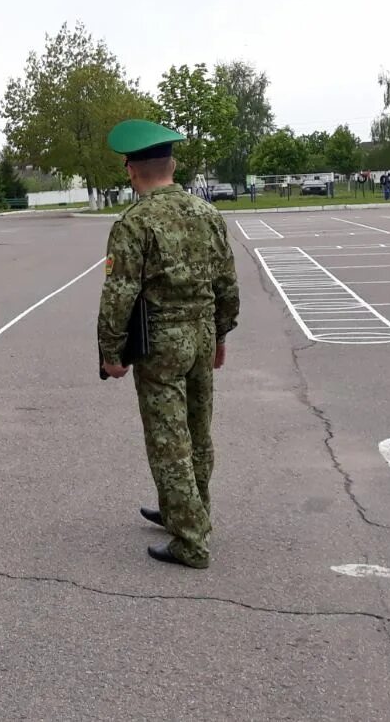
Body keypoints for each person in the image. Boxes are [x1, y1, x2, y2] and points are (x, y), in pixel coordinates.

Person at [96, 119, 239, 571]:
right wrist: (220, 335)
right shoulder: (208, 214)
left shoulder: (134, 222)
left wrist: (110, 352)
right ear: (172, 165)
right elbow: (227, 283)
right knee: (198, 431)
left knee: (168, 439)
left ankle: (191, 541)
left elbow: (118, 294)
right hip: (199, 335)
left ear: (130, 170)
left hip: (161, 342)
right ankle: (189, 509)